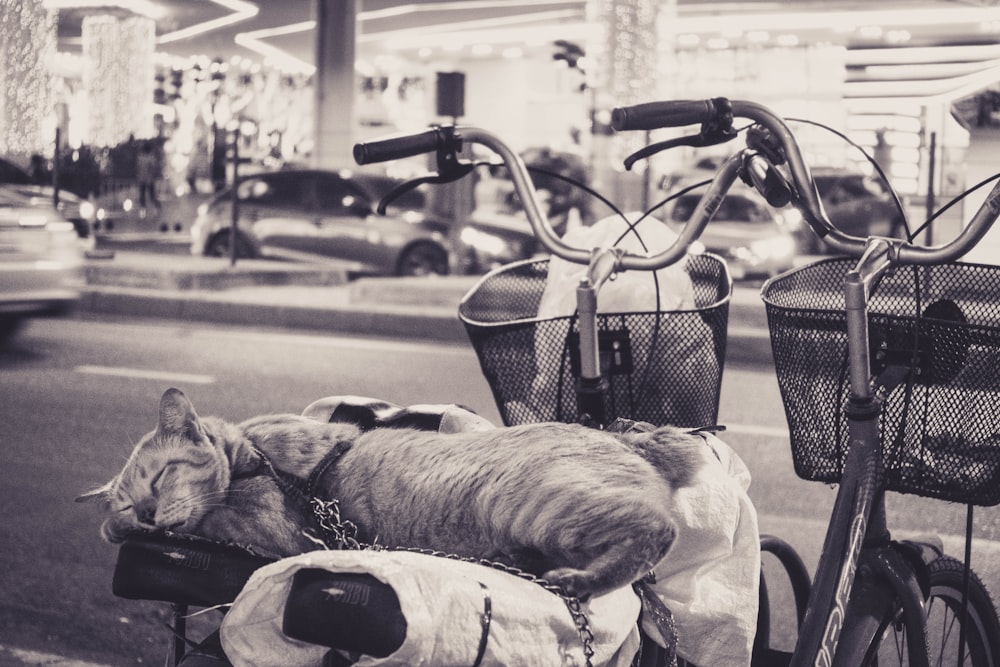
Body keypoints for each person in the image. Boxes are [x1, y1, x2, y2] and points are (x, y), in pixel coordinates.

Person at [136, 141, 161, 213]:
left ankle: (143, 209)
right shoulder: (151, 157)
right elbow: (154, 167)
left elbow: (138, 168)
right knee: (152, 194)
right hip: (149, 179)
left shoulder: (140, 157)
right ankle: (156, 207)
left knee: (142, 194)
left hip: (142, 179)